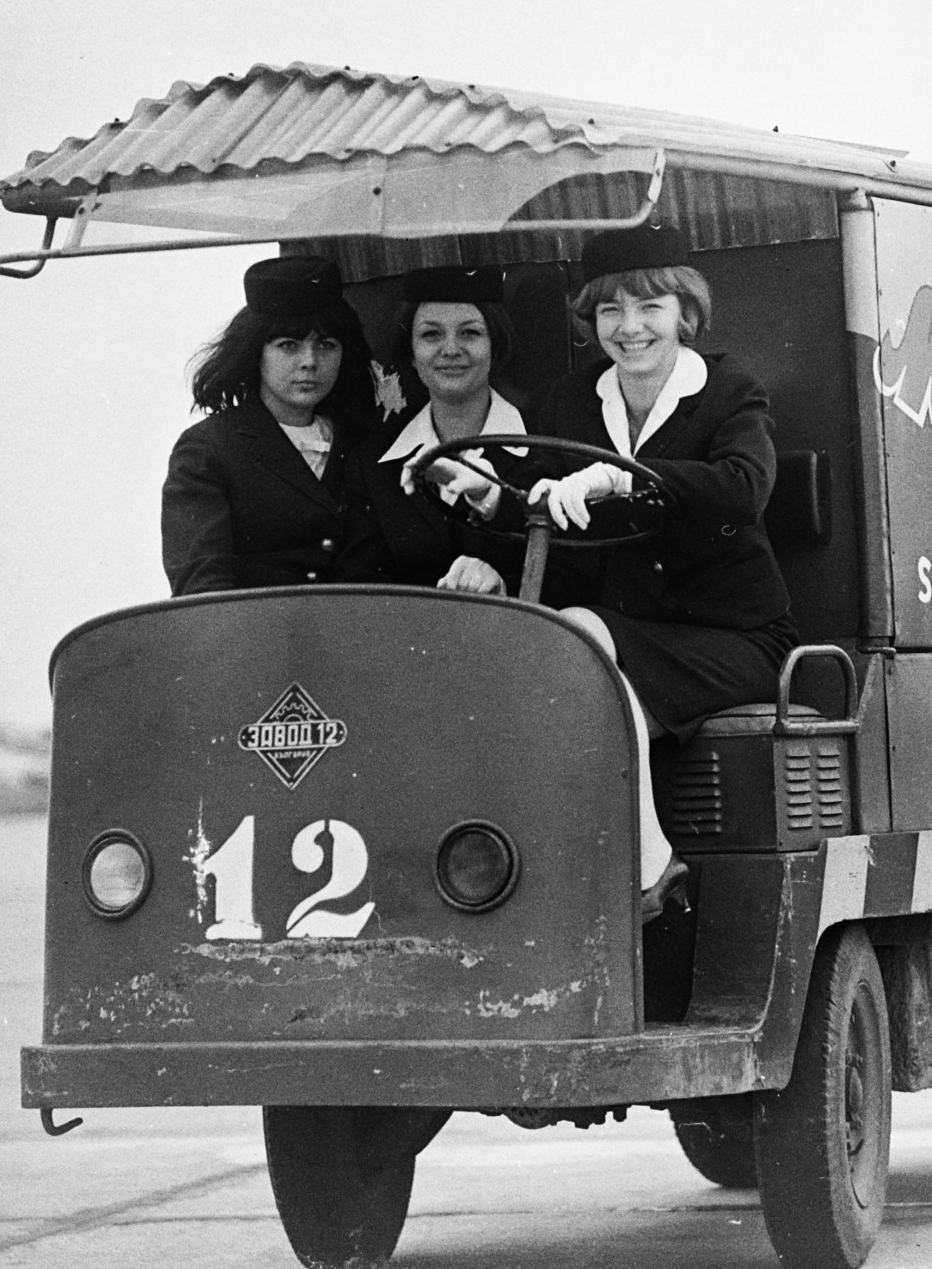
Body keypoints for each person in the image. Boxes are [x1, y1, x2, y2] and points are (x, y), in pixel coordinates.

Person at [526, 224, 799, 918]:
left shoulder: (730, 390)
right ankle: (633, 880)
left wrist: (623, 480)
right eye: (610, 309)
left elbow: (743, 487)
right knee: (577, 705)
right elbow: (528, 500)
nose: (630, 327)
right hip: (633, 639)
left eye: (650, 306)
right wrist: (476, 499)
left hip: (736, 639)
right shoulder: (569, 401)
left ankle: (649, 870)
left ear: (686, 312)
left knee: (582, 653)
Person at [161, 255, 375, 595]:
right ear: (254, 353)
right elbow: (202, 584)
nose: (310, 362)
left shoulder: (364, 443)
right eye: (288, 345)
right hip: (257, 640)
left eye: (327, 345)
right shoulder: (208, 449)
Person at [340, 267, 523, 593]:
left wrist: (504, 587)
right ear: (410, 353)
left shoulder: (546, 447)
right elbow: (362, 590)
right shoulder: (371, 461)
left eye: (469, 333)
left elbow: (572, 579)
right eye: (431, 335)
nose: (451, 349)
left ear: (496, 343)